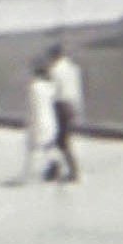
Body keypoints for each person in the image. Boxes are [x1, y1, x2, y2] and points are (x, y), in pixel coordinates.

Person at [46, 43, 85, 184]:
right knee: (62, 139)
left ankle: (70, 171)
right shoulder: (73, 68)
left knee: (59, 140)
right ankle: (55, 168)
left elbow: (53, 91)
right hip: (72, 105)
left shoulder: (55, 70)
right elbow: (77, 90)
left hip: (60, 105)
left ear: (53, 56)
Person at [22, 57, 61, 183]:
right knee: (47, 145)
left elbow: (32, 106)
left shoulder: (34, 87)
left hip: (38, 120)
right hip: (50, 118)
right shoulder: (50, 87)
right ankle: (52, 165)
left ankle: (27, 174)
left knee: (32, 147)